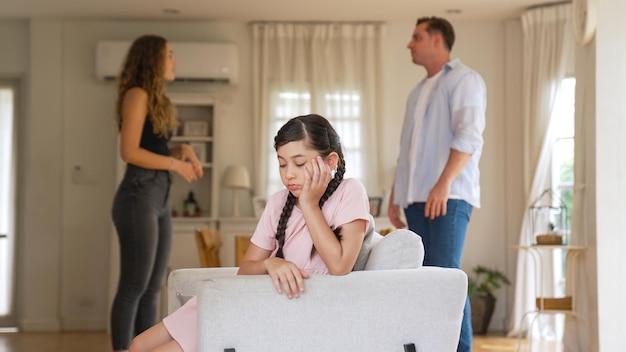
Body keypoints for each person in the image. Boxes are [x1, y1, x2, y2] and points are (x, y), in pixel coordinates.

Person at [127, 114, 370, 352]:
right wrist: (270, 263)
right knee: (138, 345)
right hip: (245, 297)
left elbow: (339, 266)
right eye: (282, 164)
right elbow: (245, 269)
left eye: (299, 163)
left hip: (273, 311)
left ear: (330, 162)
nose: (289, 174)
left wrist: (309, 204)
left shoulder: (350, 192)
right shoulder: (278, 202)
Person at [387, 17, 486, 352]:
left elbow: (469, 137)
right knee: (425, 280)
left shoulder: (464, 80)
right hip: (416, 200)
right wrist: (395, 197)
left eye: (416, 37)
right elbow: (406, 153)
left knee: (446, 277)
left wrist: (443, 184)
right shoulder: (417, 93)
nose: (409, 44)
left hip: (450, 197)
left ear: (437, 40)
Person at [110, 34, 204, 352]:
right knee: (133, 286)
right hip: (138, 195)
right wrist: (174, 165)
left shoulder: (156, 98)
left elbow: (153, 146)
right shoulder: (136, 94)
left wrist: (182, 149)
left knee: (152, 287)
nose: (174, 61)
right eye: (169, 54)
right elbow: (129, 151)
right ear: (152, 59)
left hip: (158, 196)